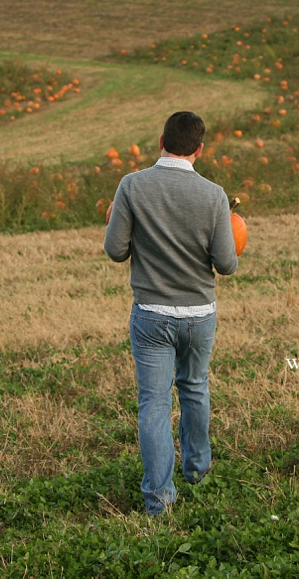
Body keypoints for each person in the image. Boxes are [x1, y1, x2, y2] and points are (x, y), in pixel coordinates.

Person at [104, 111, 239, 515]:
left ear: (160, 141)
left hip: (151, 314)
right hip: (199, 315)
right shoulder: (214, 195)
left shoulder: (131, 186)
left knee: (154, 404)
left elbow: (115, 250)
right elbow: (226, 264)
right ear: (200, 149)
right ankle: (196, 467)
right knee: (195, 386)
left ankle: (159, 499)